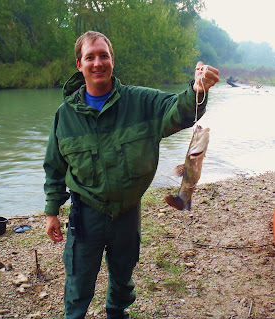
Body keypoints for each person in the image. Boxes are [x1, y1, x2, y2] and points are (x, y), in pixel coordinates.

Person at [44, 31, 219, 319]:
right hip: (85, 213)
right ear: (79, 64)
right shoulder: (65, 115)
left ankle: (118, 313)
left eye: (104, 55)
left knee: (123, 276)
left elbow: (179, 110)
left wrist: (197, 90)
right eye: (90, 57)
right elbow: (54, 166)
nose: (97, 63)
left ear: (112, 60)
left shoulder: (141, 101)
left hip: (128, 212)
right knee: (78, 281)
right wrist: (52, 211)